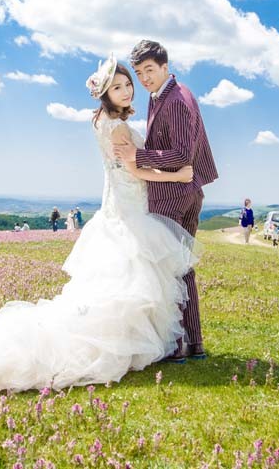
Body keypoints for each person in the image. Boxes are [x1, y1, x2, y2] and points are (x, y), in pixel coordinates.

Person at [0, 54, 197, 398]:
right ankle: (125, 343)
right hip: (130, 208)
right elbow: (135, 170)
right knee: (130, 281)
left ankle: (135, 340)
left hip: (118, 207)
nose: (127, 91)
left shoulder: (99, 122)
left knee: (119, 283)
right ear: (104, 94)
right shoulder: (120, 127)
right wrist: (179, 174)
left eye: (128, 85)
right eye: (118, 87)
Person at [113, 39, 218, 362]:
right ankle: (192, 342)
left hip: (175, 196)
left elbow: (183, 155)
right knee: (181, 268)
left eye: (149, 70)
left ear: (165, 67)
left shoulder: (177, 99)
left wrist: (137, 155)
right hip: (186, 192)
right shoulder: (161, 94)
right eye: (139, 72)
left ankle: (176, 346)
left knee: (165, 270)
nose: (144, 79)